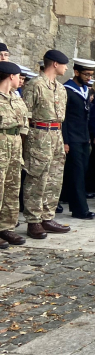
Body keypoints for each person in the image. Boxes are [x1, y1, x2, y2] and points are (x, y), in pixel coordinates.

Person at [22, 49, 71, 239]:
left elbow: (61, 118)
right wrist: (25, 141)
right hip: (39, 134)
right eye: (64, 64)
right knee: (37, 177)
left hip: (56, 134)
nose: (66, 68)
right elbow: (25, 114)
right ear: (55, 64)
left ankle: (47, 216)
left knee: (54, 178)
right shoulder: (35, 84)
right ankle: (33, 221)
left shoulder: (60, 88)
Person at [61, 58, 95, 220]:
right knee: (76, 173)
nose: (89, 78)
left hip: (83, 137)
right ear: (76, 72)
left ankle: (76, 203)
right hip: (72, 138)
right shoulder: (67, 90)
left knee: (82, 171)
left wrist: (88, 136)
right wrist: (66, 141)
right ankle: (80, 209)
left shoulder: (86, 90)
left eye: (91, 75)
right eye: (86, 74)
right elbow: (64, 118)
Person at [0, 61, 28, 248]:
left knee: (12, 187)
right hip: (1, 142)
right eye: (19, 76)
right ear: (11, 76)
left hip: (15, 144)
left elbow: (24, 121)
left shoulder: (16, 97)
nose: (21, 80)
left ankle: (6, 227)